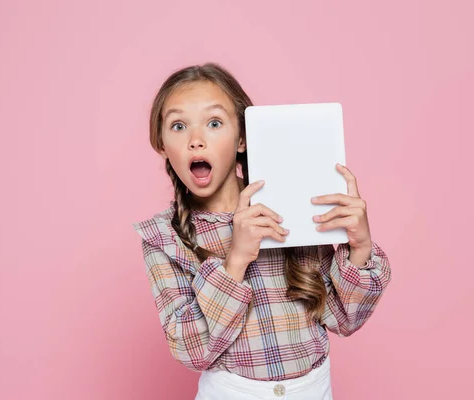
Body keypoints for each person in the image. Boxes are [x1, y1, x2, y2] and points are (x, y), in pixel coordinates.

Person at [132, 63, 391, 399]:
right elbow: (191, 350)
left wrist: (359, 247)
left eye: (214, 123)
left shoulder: (290, 203)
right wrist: (236, 259)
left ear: (242, 138)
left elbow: (345, 319)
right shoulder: (161, 236)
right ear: (162, 144)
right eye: (179, 126)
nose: (196, 141)